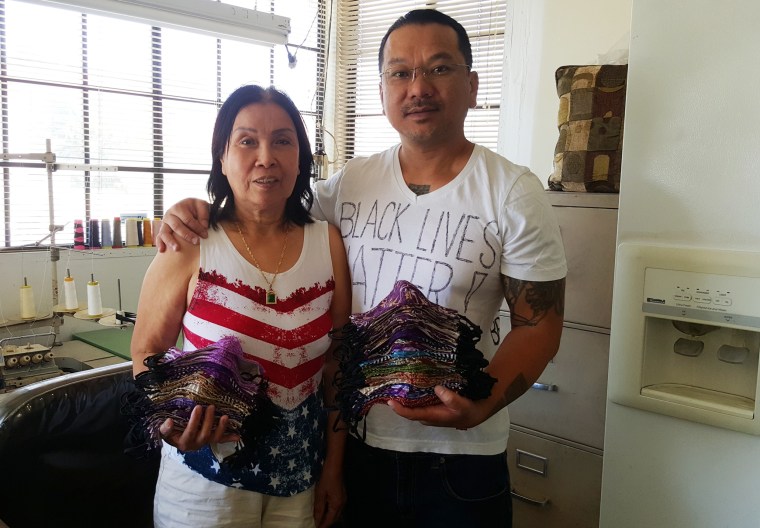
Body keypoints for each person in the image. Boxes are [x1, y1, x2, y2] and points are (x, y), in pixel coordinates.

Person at [155, 9, 566, 528]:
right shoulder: (349, 186)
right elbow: (266, 203)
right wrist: (191, 210)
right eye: (400, 72)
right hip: (359, 449)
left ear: (472, 84)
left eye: (439, 69)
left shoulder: (512, 193)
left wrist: (482, 406)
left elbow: (541, 323)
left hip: (459, 462)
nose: (418, 87)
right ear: (382, 91)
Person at [130, 84, 351, 528]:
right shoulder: (189, 244)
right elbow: (145, 353)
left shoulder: (327, 242)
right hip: (203, 488)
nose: (266, 157)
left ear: (301, 158)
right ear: (222, 156)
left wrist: (333, 470)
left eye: (283, 141)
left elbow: (337, 368)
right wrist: (169, 424)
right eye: (247, 140)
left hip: (298, 482)